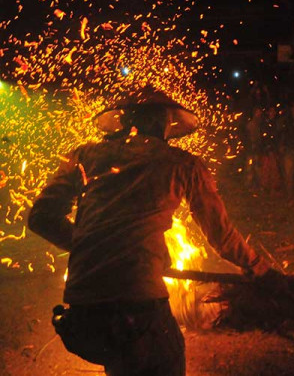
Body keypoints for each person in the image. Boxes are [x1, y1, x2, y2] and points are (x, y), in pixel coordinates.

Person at [28, 87, 269, 375]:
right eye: (167, 120)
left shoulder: (85, 155)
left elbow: (41, 217)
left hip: (84, 312)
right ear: (162, 123)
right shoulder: (182, 163)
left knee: (121, 362)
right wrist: (258, 266)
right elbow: (221, 235)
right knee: (162, 358)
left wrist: (90, 246)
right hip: (138, 308)